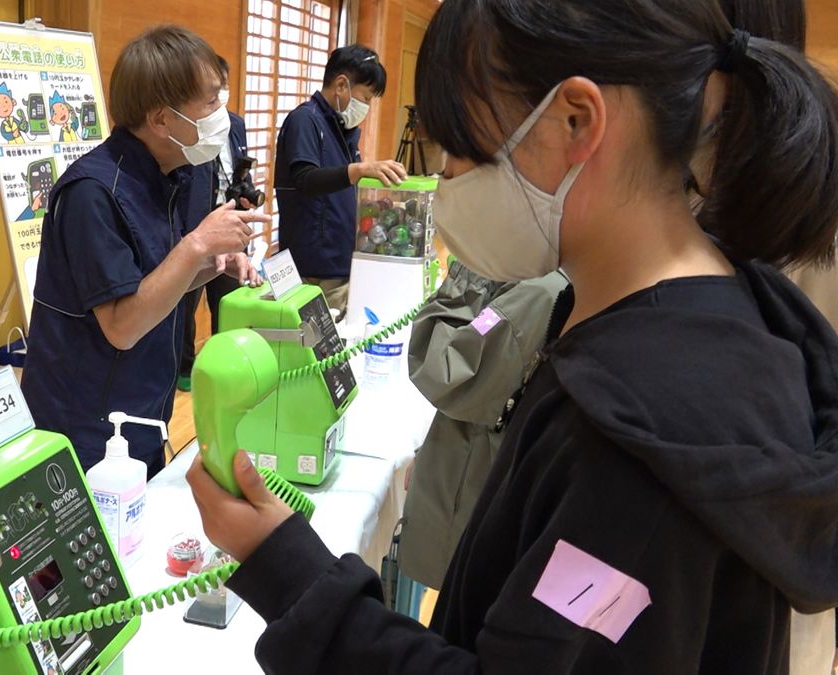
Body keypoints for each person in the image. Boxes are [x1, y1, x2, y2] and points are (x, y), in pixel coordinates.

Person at [186, 0, 838, 671]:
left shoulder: (645, 428)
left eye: (459, 151)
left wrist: (288, 570)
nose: (444, 184)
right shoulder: (713, 316)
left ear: (574, 121)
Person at [20, 26, 269, 478]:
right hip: (85, 424)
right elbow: (122, 325)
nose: (222, 114)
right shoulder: (92, 192)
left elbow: (156, 285)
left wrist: (208, 264)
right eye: (211, 101)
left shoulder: (175, 173)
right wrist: (196, 245)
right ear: (161, 120)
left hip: (143, 408)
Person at [396, 262, 567, 605]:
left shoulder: (536, 295)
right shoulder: (552, 283)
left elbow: (442, 367)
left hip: (480, 504)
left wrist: (469, 275)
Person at [275, 45, 407, 318]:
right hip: (315, 267)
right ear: (341, 85)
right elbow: (306, 180)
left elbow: (341, 186)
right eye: (366, 98)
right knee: (318, 354)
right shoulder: (305, 120)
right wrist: (359, 169)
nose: (367, 107)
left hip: (340, 261)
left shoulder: (340, 128)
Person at [178, 56, 250, 392]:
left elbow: (238, 169)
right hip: (193, 227)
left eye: (223, 89)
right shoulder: (187, 129)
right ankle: (185, 368)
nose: (220, 98)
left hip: (229, 221)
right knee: (185, 302)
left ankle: (225, 365)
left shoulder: (234, 124)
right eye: (212, 93)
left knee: (229, 297)